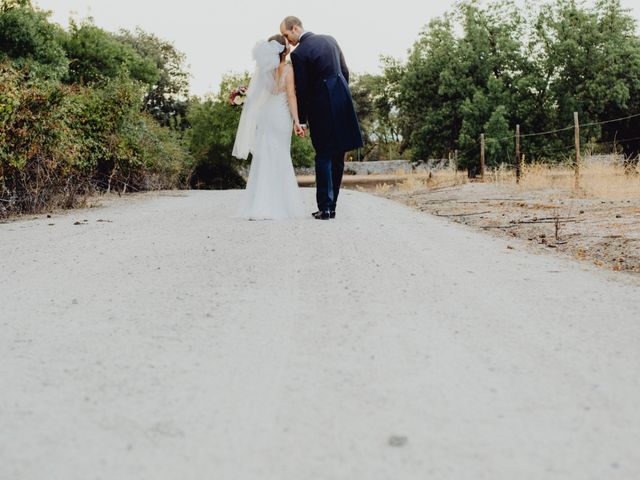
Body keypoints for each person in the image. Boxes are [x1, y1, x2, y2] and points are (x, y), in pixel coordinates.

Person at [280, 16, 363, 220]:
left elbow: (304, 90)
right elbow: (345, 71)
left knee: (323, 154)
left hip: (320, 106)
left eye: (286, 34)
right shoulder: (330, 39)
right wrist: (341, 92)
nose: (287, 40)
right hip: (342, 99)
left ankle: (324, 208)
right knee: (339, 155)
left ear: (296, 27)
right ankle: (332, 207)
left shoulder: (299, 54)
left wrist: (302, 120)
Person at [232, 35, 305, 220]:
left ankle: (259, 204)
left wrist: (240, 98)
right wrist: (297, 120)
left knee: (263, 158)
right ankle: (281, 205)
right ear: (285, 50)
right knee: (280, 156)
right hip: (281, 117)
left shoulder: (264, 71)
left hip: (266, 116)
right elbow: (291, 97)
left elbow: (256, 95)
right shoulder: (288, 69)